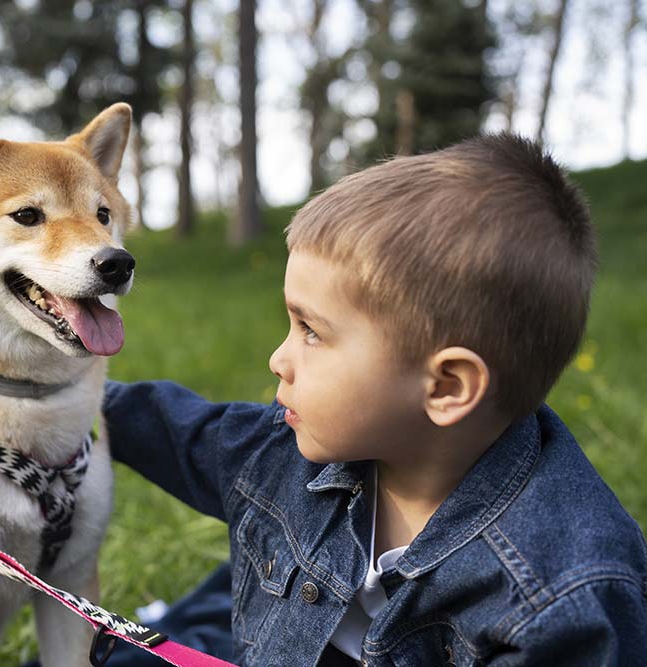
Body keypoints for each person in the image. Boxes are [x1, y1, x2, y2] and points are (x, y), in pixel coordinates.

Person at [94, 134, 647, 666]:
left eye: (311, 331)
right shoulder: (291, 454)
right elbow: (176, 429)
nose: (278, 360)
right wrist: (39, 407)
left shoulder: (558, 597)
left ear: (447, 386)